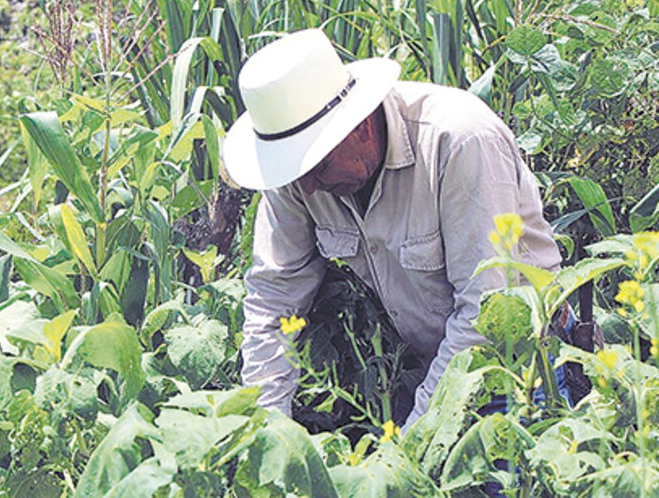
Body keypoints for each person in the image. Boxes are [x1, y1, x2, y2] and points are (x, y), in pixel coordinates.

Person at [221, 28, 562, 429]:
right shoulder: (299, 178)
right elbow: (274, 297)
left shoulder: (458, 142)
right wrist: (269, 432)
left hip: (522, 363)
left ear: (362, 126)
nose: (309, 187)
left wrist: (414, 442)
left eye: (315, 167)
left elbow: (485, 311)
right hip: (432, 366)